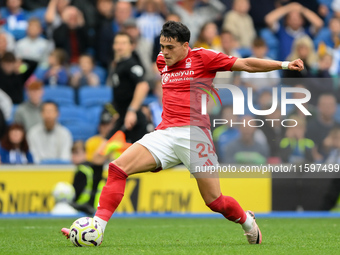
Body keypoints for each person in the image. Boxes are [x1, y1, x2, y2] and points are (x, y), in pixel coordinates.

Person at [61, 21, 304, 244]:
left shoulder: (204, 58)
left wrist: (284, 64)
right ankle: (97, 228)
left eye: (170, 47)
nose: (164, 52)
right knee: (117, 168)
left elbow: (247, 64)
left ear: (185, 45)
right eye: (162, 46)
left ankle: (247, 221)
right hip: (165, 132)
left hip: (195, 135)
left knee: (215, 202)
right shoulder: (160, 61)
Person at [105, 32, 149, 144]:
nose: (119, 46)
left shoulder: (131, 64)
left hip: (133, 120)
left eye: (123, 43)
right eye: (117, 43)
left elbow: (143, 85)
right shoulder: (117, 65)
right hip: (122, 118)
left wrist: (131, 110)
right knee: (104, 153)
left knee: (103, 152)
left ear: (131, 46)